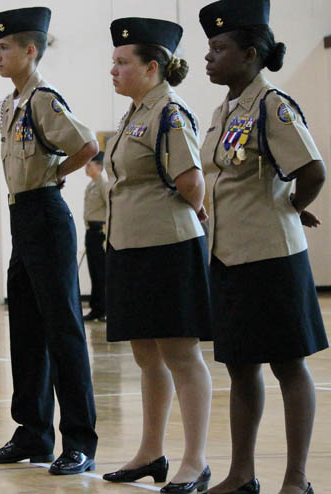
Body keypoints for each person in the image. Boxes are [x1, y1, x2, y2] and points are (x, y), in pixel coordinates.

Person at [199, 1, 327, 493]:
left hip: (272, 257)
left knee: (288, 364)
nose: (209, 57)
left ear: (251, 54)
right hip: (229, 256)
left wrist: (291, 205)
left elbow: (312, 171)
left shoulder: (273, 104)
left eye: (219, 48)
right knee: (241, 368)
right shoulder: (224, 110)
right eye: (209, 48)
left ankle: (296, 478)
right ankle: (241, 475)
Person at [0, 6, 99, 476]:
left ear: (30, 50)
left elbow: (87, 145)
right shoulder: (9, 104)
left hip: (46, 214)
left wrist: (56, 173)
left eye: (4, 47)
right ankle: (32, 433)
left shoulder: (44, 99)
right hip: (22, 216)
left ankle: (79, 441)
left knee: (63, 331)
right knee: (26, 329)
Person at [100, 18, 214, 494]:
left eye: (122, 62)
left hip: (168, 247)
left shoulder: (170, 112)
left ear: (152, 67)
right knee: (147, 355)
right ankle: (151, 451)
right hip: (131, 247)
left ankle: (196, 461)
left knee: (181, 355)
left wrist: (195, 211)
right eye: (113, 61)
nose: (113, 69)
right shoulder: (135, 114)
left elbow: (191, 182)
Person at [82, 151, 108, 322]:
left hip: (101, 233)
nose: (86, 168)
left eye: (89, 165)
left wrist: (107, 234)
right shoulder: (91, 185)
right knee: (93, 272)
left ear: (99, 166)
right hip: (91, 232)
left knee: (101, 273)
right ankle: (96, 309)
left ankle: (104, 309)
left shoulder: (103, 184)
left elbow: (110, 208)